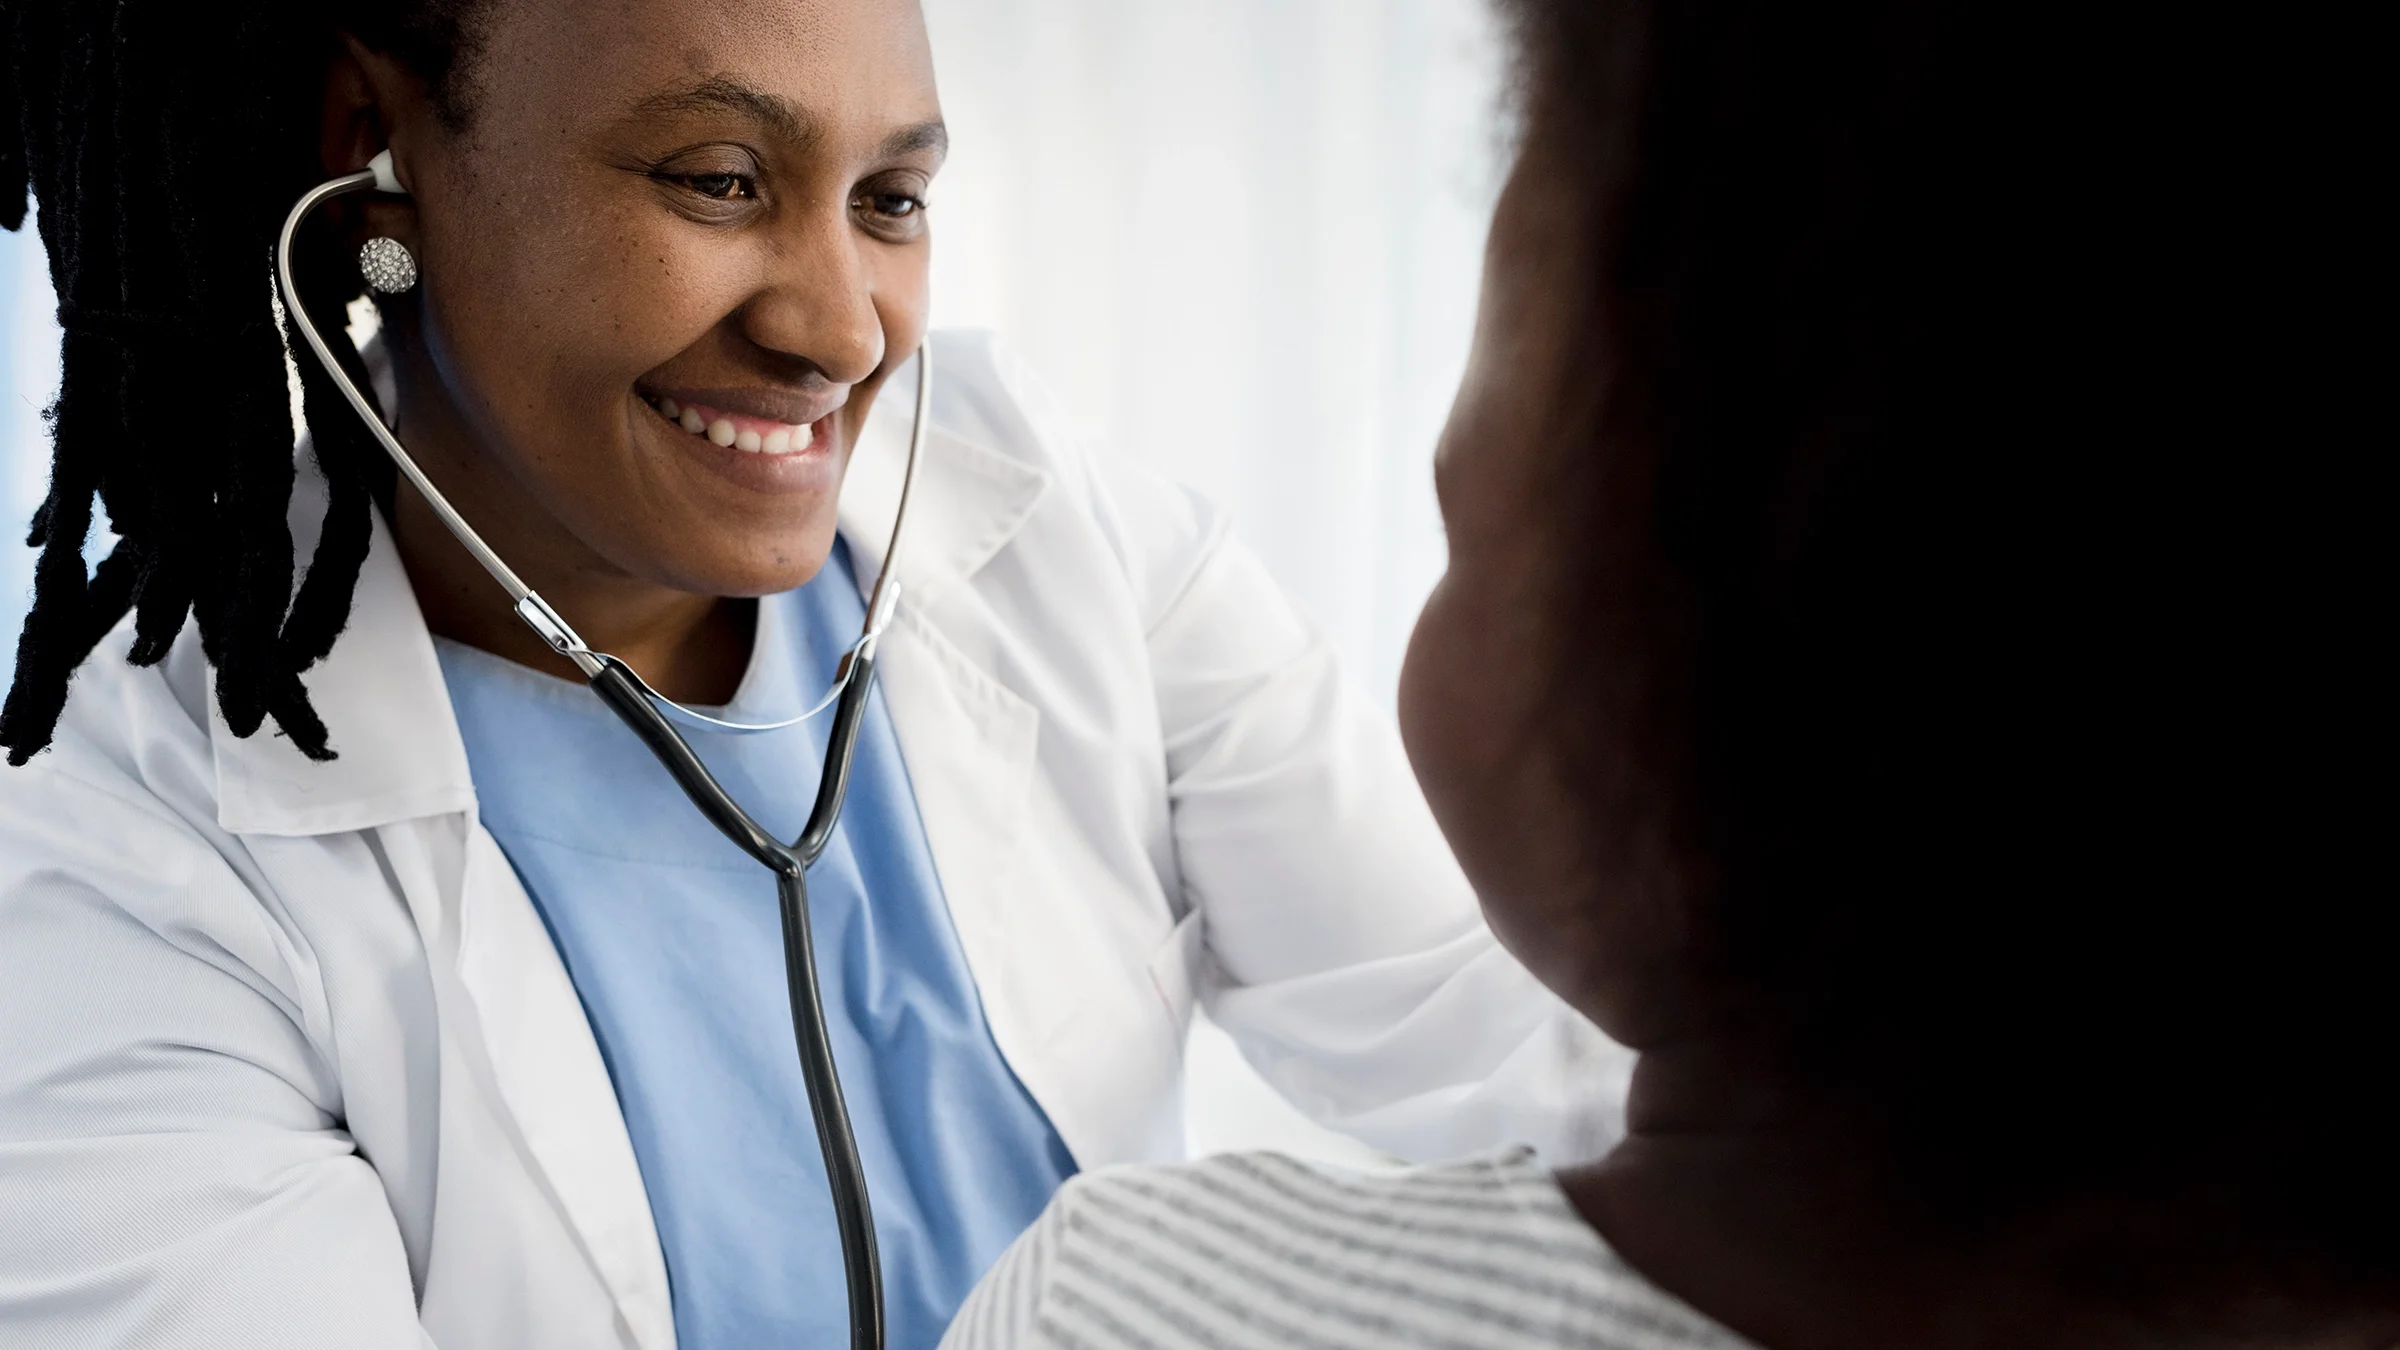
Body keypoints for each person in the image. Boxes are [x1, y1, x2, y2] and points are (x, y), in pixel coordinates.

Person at [0, 2, 1626, 1347]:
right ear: (374, 149)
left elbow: (1546, 1067)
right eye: (718, 180)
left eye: (892, 200)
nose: (843, 327)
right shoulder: (130, 859)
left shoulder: (1067, 542)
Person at [940, 0, 2400, 1346]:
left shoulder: (1121, 1304)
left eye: (1462, 524)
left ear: (1678, 624)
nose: (831, 320)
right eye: (719, 180)